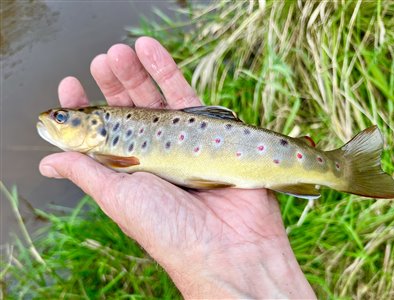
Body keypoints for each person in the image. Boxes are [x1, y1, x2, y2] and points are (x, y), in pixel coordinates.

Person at [39, 37, 316, 299]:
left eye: (60, 117)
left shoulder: (107, 153)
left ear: (94, 125)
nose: (51, 120)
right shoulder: (104, 151)